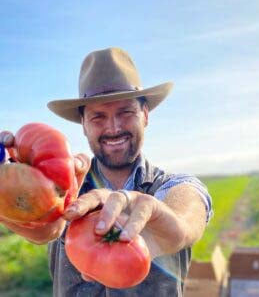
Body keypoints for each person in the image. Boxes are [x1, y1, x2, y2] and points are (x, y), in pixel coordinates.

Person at [0, 47, 212, 297]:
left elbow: (189, 210)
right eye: (98, 117)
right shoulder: (64, 192)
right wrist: (25, 207)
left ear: (145, 115)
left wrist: (165, 220)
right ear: (83, 125)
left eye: (126, 112)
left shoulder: (171, 185)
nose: (113, 128)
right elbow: (44, 227)